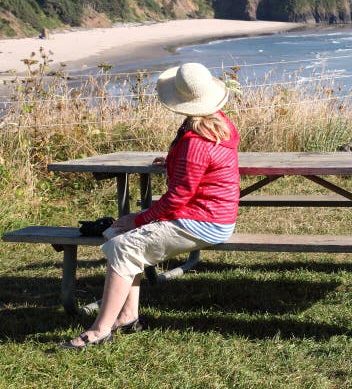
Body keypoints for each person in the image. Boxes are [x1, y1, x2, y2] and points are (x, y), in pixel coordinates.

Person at [62, 62, 240, 350]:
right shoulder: (217, 123)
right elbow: (197, 170)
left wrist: (140, 218)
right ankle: (128, 315)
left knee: (124, 246)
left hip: (204, 221)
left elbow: (178, 197)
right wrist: (173, 161)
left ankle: (100, 329)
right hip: (212, 215)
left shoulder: (196, 142)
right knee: (120, 237)